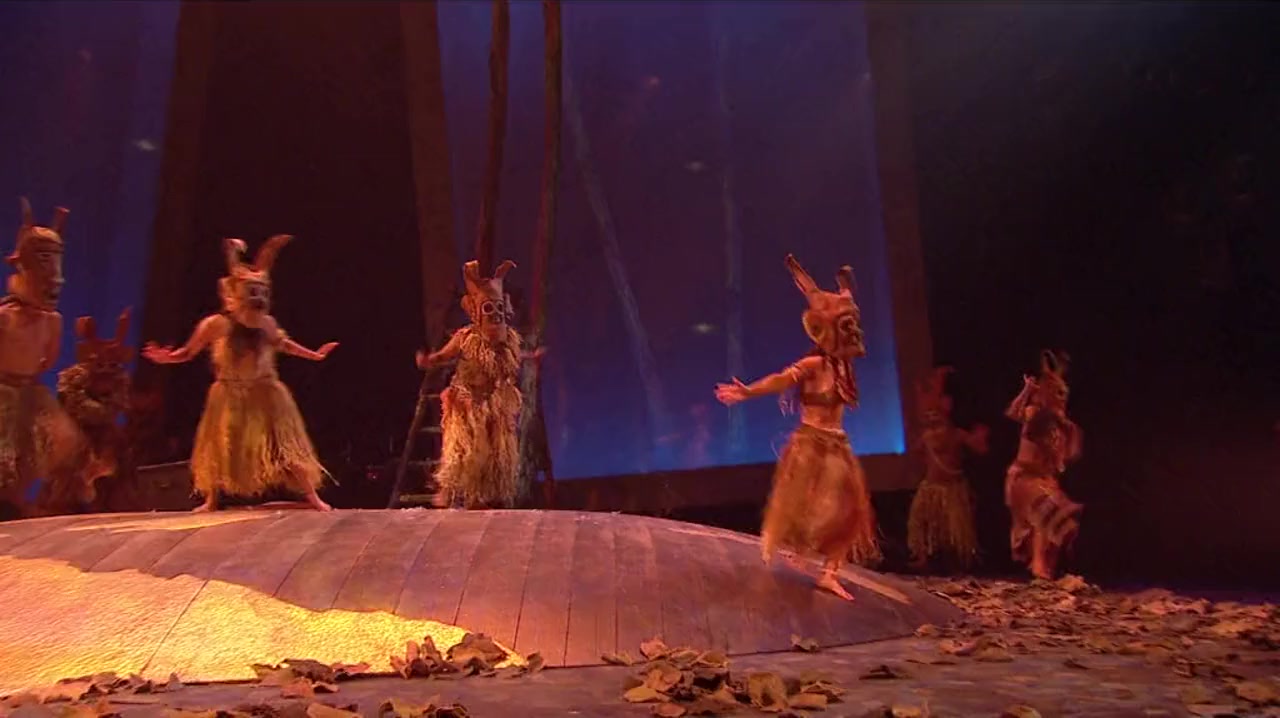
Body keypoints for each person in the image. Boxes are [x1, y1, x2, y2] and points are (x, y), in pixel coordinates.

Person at [714, 254, 879, 601]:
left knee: (852, 511)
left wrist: (845, 285)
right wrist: (747, 392)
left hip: (838, 446)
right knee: (808, 510)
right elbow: (780, 379)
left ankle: (830, 572)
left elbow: (841, 297)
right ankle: (793, 548)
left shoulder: (844, 368)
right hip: (810, 445)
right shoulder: (814, 364)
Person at [142, 235, 337, 512]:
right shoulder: (217, 325)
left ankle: (313, 497)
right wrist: (167, 358)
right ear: (236, 294)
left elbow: (284, 344)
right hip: (228, 394)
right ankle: (211, 499)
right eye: (251, 291)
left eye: (262, 292)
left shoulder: (266, 324)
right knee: (219, 447)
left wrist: (314, 355)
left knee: (285, 445)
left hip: (265, 393)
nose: (258, 297)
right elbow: (187, 352)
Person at [415, 260, 544, 509]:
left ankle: (480, 496)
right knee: (463, 451)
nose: (495, 315)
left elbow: (515, 356)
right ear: (476, 313)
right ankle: (449, 490)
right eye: (488, 308)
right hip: (467, 401)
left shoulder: (507, 341)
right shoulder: (466, 338)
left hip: (494, 402)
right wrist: (429, 361)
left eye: (498, 308)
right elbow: (443, 356)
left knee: (494, 453)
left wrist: (531, 357)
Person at [0, 198, 91, 516]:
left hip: (28, 392)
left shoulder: (52, 320)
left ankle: (15, 500)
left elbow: (48, 360)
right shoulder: (5, 316)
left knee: (32, 451)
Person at [1004, 350, 1083, 580]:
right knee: (1044, 512)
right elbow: (1013, 413)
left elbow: (1067, 458)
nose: (1061, 398)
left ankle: (1045, 569)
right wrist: (1027, 390)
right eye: (1057, 393)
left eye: (1063, 394)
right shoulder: (1036, 414)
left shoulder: (1064, 427)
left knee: (1059, 524)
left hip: (1044, 481)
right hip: (1024, 479)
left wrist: (1068, 432)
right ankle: (1038, 565)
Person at [906, 366, 989, 572]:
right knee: (924, 524)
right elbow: (917, 454)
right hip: (931, 488)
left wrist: (979, 439)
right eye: (928, 416)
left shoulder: (956, 434)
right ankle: (924, 557)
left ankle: (957, 559)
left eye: (936, 414)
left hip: (952, 489)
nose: (932, 419)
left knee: (954, 530)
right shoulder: (926, 437)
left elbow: (979, 447)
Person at [57, 308, 134, 510]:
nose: (105, 368)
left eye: (111, 364)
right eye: (100, 363)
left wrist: (105, 411)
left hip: (104, 433)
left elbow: (118, 403)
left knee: (114, 449)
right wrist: (96, 411)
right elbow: (73, 401)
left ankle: (106, 495)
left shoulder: (118, 379)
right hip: (78, 431)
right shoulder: (75, 377)